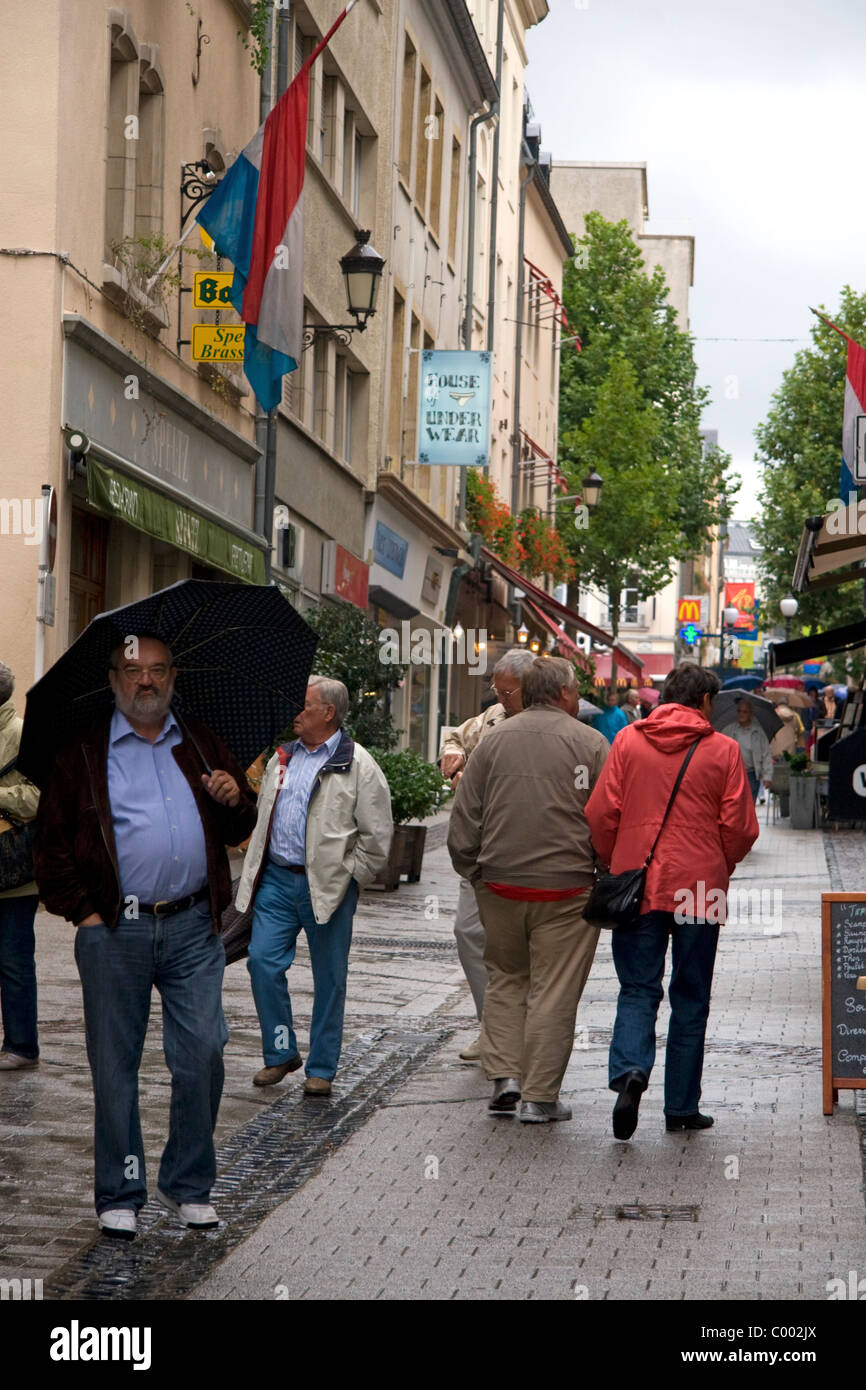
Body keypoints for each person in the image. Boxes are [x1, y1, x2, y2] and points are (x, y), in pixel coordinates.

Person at [34, 636, 257, 1240]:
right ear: (113, 679)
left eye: (158, 670)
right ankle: (121, 1192)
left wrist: (237, 799)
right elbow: (50, 846)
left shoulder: (200, 740)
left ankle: (188, 1186)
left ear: (173, 675)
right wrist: (84, 914)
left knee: (204, 1052)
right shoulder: (82, 751)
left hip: (191, 925)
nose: (147, 681)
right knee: (115, 1066)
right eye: (134, 671)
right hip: (114, 928)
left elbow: (241, 819)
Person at [585, 662, 758, 1140]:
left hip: (638, 883)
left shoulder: (628, 741)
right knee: (691, 995)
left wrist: (616, 859)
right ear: (703, 701)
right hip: (700, 887)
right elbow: (741, 827)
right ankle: (681, 1106)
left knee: (638, 989)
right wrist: (717, 863)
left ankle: (630, 1073)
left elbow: (601, 812)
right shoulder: (722, 750)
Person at [447, 657, 609, 1123]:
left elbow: (466, 818)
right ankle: (539, 1097)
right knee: (553, 992)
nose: (579, 698)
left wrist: (474, 873)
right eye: (576, 690)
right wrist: (604, 868)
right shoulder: (591, 743)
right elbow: (607, 817)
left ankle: (506, 1079)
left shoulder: (492, 743)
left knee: (506, 980)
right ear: (560, 693)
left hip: (499, 884)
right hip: (567, 889)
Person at [235, 677, 392, 1097]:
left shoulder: (358, 764)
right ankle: (281, 1052)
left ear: (328, 713)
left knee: (329, 978)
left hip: (329, 887)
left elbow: (377, 838)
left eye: (304, 705)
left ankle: (321, 1068)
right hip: (276, 882)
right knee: (262, 964)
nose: (295, 712)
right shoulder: (281, 758)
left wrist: (349, 876)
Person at [438, 649, 536, 1060]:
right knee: (469, 933)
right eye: (495, 690)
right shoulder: (493, 718)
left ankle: (525, 1035)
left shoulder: (545, 726)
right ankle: (491, 1026)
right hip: (480, 851)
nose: (499, 698)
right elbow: (456, 734)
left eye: (506, 691)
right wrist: (453, 752)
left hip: (529, 853)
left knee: (523, 949)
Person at [0, 662, 40, 1071]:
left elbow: (38, 797)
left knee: (13, 960)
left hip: (14, 870)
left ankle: (22, 1045)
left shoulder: (24, 734)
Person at [718, 696, 772, 802]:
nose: (741, 714)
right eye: (739, 711)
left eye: (745, 711)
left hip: (751, 774)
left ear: (751, 713)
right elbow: (719, 749)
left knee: (750, 806)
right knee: (735, 806)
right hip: (733, 774)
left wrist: (767, 776)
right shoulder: (729, 730)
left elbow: (766, 754)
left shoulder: (758, 732)